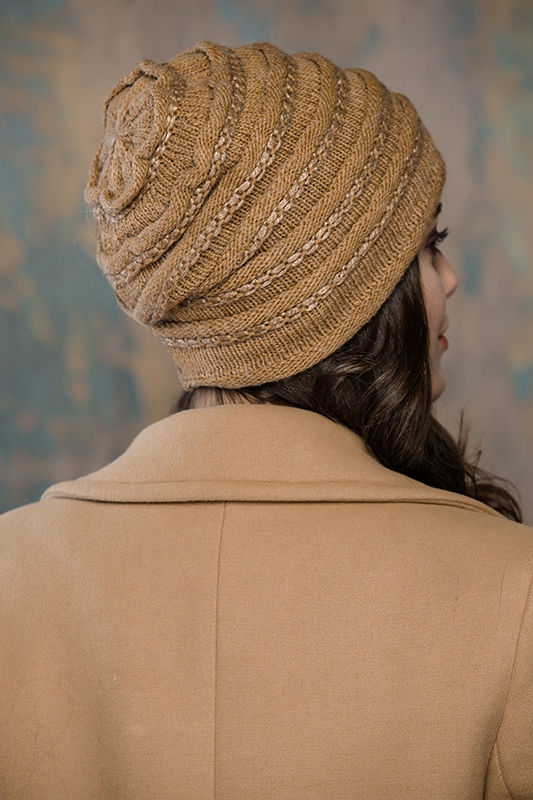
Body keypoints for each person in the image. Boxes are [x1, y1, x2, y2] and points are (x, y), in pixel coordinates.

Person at [0, 41, 532, 800]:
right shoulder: (514, 589)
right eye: (426, 247)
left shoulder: (12, 575)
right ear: (334, 290)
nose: (447, 277)